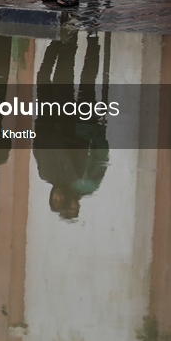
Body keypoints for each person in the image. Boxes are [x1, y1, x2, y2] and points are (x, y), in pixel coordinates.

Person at [33, 30, 109, 220]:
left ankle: (64, 39)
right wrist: (98, 131)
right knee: (82, 81)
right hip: (76, 124)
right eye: (63, 202)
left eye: (55, 200)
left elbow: (38, 148)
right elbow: (97, 155)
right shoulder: (82, 181)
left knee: (50, 77)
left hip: (52, 120)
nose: (58, 197)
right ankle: (87, 38)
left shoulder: (45, 174)